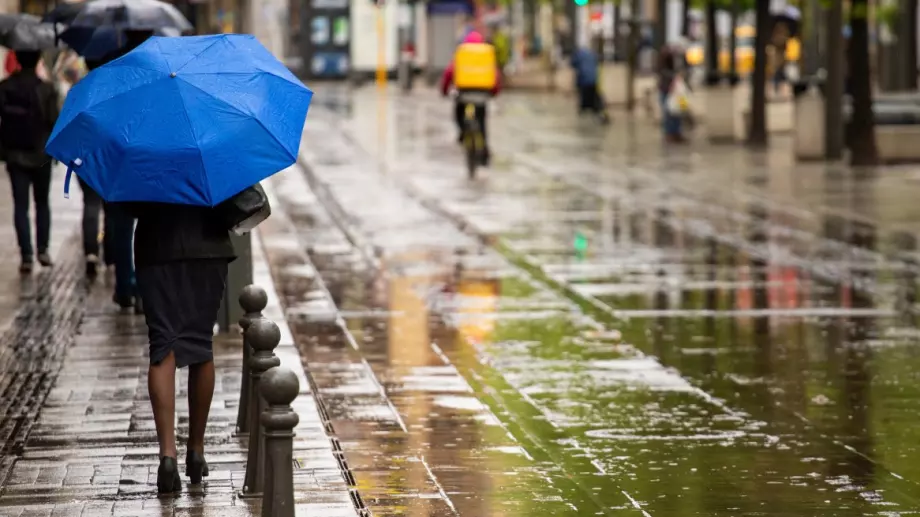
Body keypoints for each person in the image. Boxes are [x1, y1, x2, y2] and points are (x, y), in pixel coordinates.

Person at [125, 202, 235, 493]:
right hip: (208, 244)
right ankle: (196, 451)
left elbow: (126, 205)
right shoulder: (211, 154)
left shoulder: (144, 154)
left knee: (163, 345)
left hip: (157, 247)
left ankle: (167, 456)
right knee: (201, 344)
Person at [0, 51, 60, 273]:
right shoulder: (47, 89)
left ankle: (26, 254)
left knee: (20, 206)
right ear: (37, 61)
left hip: (15, 155)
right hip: (41, 154)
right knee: (42, 203)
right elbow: (55, 121)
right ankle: (42, 249)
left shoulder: (5, 87)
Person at [440, 30, 502, 165]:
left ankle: (463, 134)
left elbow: (449, 73)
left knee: (458, 115)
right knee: (482, 123)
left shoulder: (463, 53)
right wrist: (494, 92)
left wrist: (444, 91)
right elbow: (495, 75)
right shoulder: (486, 54)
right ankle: (484, 152)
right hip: (482, 95)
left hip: (463, 95)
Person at [571, 46, 610, 124]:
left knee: (585, 102)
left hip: (584, 81)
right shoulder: (593, 55)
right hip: (594, 80)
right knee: (593, 98)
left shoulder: (578, 56)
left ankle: (585, 114)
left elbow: (573, 64)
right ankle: (597, 113)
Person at [657, 47, 685, 143]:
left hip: (672, 91)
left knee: (675, 113)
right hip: (667, 90)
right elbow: (663, 73)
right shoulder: (664, 66)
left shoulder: (670, 64)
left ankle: (674, 133)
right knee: (669, 114)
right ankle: (671, 133)